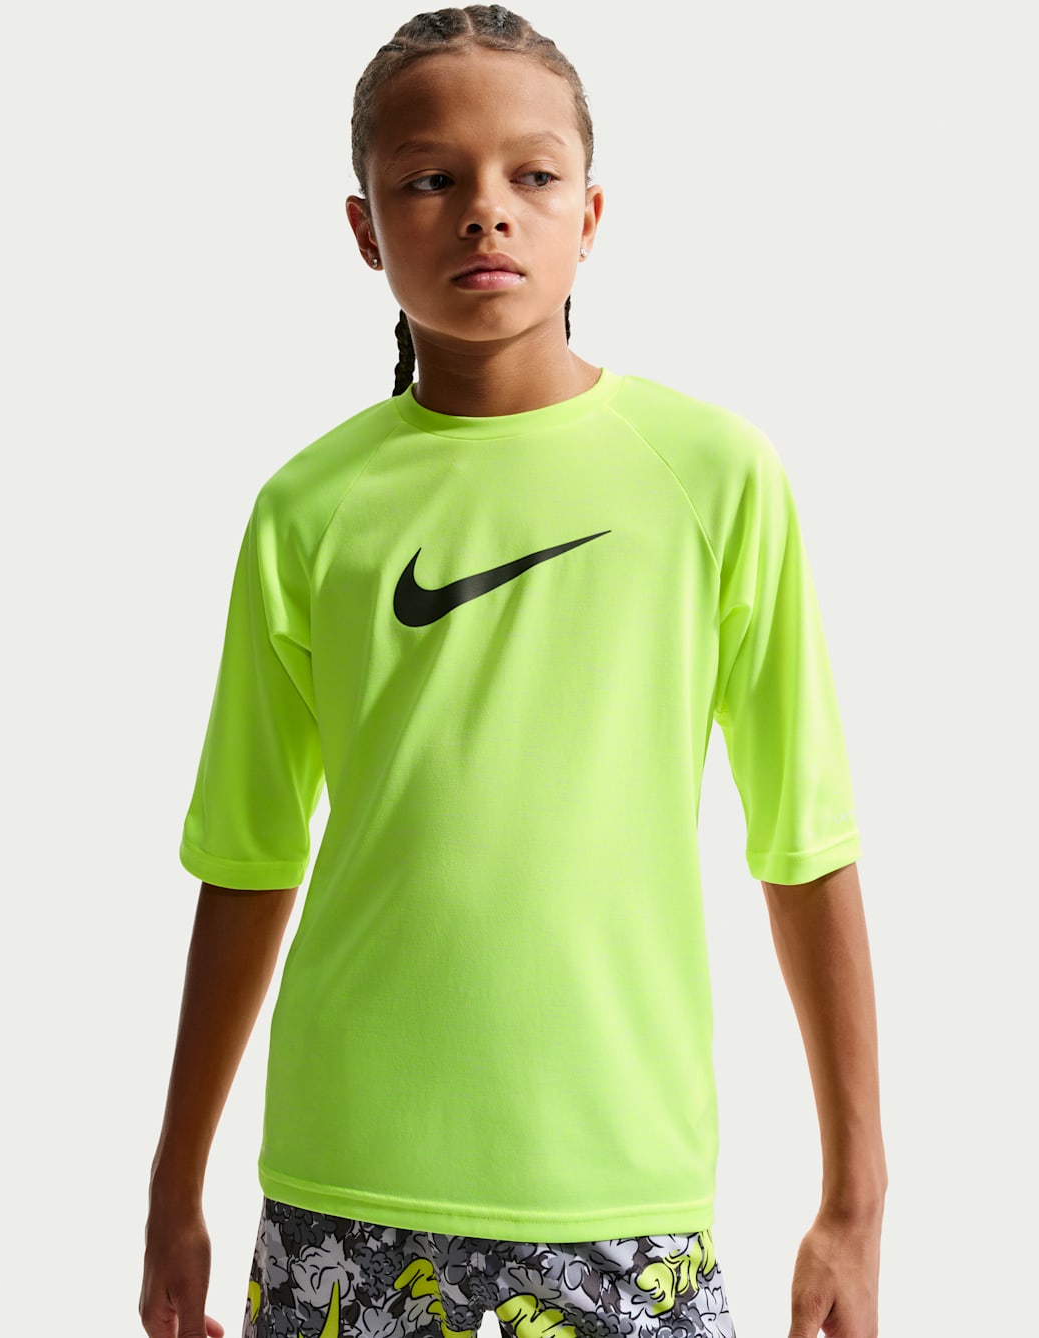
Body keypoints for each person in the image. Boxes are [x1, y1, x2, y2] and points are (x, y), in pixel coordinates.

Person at [139, 7, 889, 1338]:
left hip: (622, 1193)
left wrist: (855, 1199)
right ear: (366, 228)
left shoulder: (712, 475)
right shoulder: (308, 508)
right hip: (344, 1183)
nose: (485, 210)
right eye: (431, 177)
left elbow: (804, 842)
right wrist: (171, 1192)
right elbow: (248, 859)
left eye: (531, 175)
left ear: (588, 215)